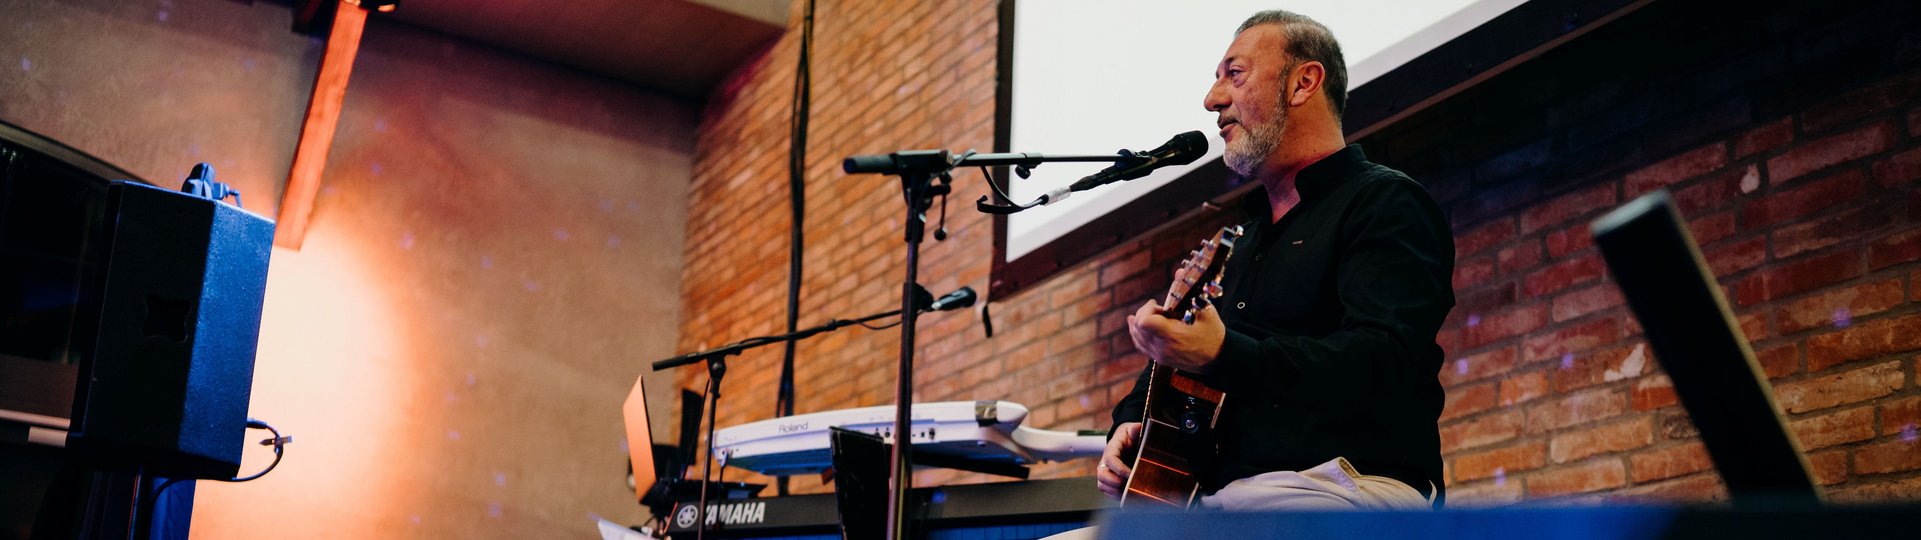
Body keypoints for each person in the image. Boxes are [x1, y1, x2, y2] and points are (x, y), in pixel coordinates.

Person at [1096, 9, 1455, 512]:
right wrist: (1130, 418)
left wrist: (1225, 354)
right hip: (1225, 501)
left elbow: (1385, 361)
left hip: (1344, 486)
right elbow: (1188, 364)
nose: (1212, 99)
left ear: (1303, 83)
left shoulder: (1384, 203)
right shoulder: (1240, 241)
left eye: (1234, 74)